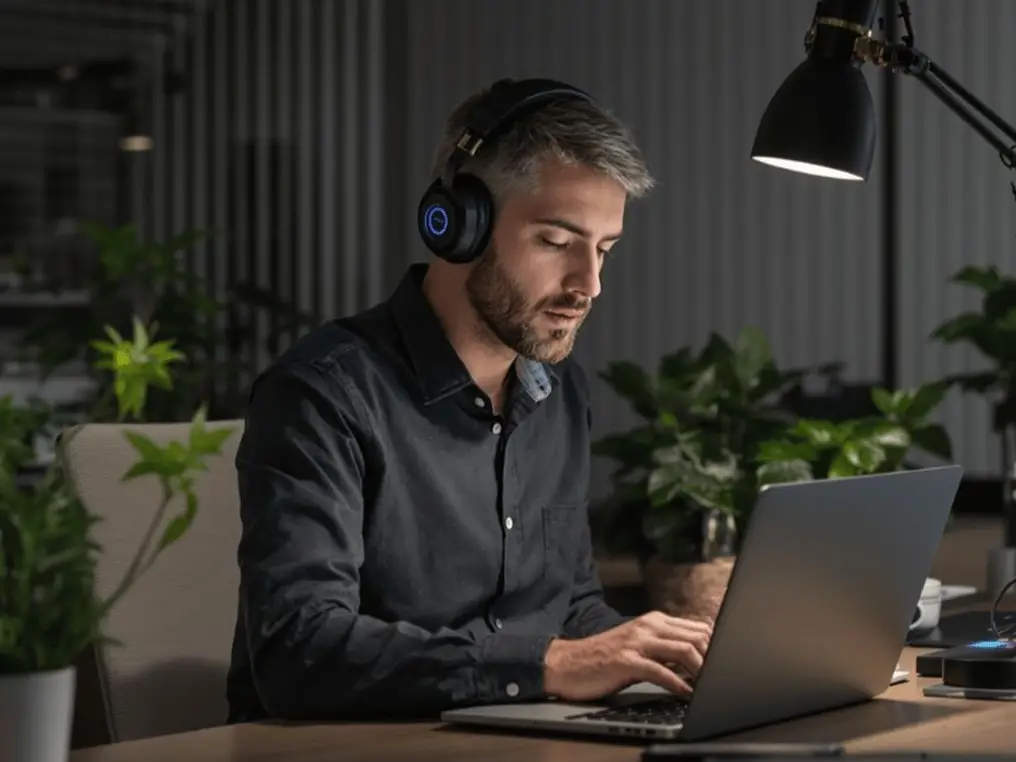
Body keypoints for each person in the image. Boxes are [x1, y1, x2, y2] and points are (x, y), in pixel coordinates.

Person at [225, 77, 713, 723]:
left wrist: (669, 646)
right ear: (457, 224)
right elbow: (299, 650)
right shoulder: (323, 393)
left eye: (604, 250)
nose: (588, 284)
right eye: (556, 242)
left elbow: (567, 606)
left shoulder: (559, 390)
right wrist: (552, 666)